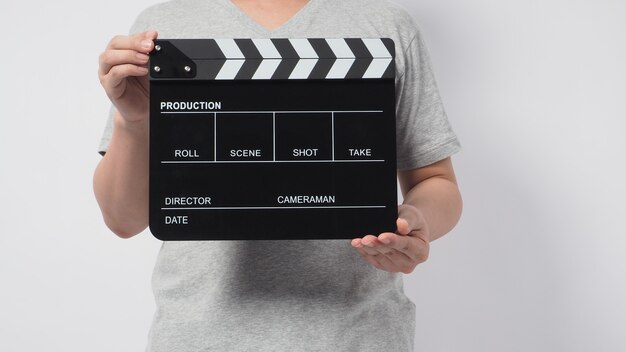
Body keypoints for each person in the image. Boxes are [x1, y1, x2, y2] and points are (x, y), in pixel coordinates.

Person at [94, 0, 462, 351]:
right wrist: (132, 121)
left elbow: (436, 183)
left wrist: (415, 220)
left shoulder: (386, 25)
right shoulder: (160, 34)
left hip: (356, 336)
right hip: (200, 338)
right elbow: (123, 219)